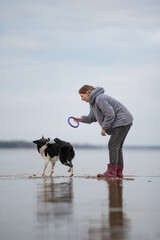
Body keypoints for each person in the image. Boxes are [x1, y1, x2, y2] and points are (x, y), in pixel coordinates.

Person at [76, 85, 133, 178]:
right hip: (125, 121)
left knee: (113, 145)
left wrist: (104, 127)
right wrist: (81, 119)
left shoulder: (100, 99)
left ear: (87, 93)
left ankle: (111, 172)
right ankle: (118, 173)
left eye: (82, 96)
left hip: (122, 120)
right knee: (117, 147)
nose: (81, 99)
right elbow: (92, 118)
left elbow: (110, 114)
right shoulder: (93, 103)